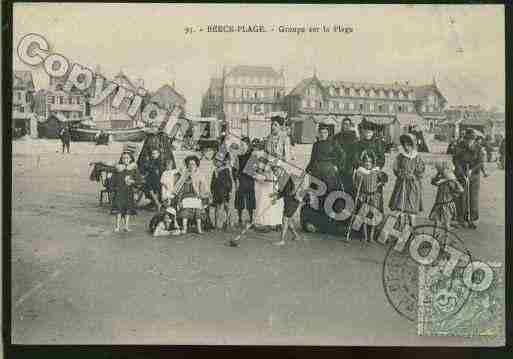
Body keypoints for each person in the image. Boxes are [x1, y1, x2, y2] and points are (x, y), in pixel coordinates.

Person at [389, 133, 426, 228]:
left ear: (412, 145)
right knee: (400, 208)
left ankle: (411, 231)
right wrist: (401, 174)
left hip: (413, 186)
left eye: (408, 145)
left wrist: (414, 176)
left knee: (411, 209)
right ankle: (399, 230)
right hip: (402, 184)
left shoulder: (417, 158)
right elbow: (395, 168)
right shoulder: (400, 157)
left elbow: (421, 170)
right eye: (404, 144)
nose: (406, 147)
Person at [352, 150, 388, 241]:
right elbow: (356, 184)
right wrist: (359, 193)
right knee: (364, 216)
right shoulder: (360, 172)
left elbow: (384, 179)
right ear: (363, 163)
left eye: (369, 162)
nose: (368, 164)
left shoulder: (376, 172)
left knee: (374, 217)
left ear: (372, 163)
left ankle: (371, 236)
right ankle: (364, 236)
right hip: (365, 196)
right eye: (366, 162)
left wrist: (380, 184)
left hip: (374, 197)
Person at [452, 129, 485, 229]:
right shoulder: (459, 146)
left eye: (471, 140)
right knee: (462, 196)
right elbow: (456, 160)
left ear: (474, 140)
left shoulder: (479, 148)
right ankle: (461, 219)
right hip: (461, 175)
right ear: (465, 139)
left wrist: (471, 171)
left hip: (474, 175)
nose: (469, 142)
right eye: (467, 139)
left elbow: (481, 162)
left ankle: (473, 219)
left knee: (473, 198)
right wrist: (462, 173)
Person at [306, 124, 346, 193]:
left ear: (328, 133)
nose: (323, 135)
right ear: (318, 133)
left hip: (329, 172)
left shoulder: (333, 143)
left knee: (330, 192)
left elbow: (343, 155)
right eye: (321, 132)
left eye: (325, 133)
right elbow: (313, 158)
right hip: (316, 171)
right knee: (316, 193)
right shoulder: (316, 145)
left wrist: (337, 166)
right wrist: (307, 169)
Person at [111, 149, 142, 232]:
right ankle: (117, 226)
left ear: (130, 159)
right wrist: (114, 187)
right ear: (121, 159)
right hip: (120, 191)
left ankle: (126, 226)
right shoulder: (118, 168)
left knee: (128, 210)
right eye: (123, 158)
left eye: (127, 158)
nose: (125, 160)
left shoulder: (133, 169)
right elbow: (113, 180)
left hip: (129, 191)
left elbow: (139, 180)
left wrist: (133, 182)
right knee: (119, 209)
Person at [176, 155, 209, 234]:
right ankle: (184, 228)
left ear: (196, 165)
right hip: (186, 196)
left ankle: (199, 228)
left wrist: (202, 196)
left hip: (196, 196)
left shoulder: (200, 175)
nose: (191, 166)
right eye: (189, 164)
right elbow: (178, 186)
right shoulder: (184, 174)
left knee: (198, 211)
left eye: (193, 164)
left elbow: (204, 187)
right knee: (185, 211)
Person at [269, 166, 302, 246]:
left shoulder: (285, 178)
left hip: (292, 201)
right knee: (288, 221)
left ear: (280, 170)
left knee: (285, 220)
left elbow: (286, 192)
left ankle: (282, 240)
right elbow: (282, 192)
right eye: (274, 172)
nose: (275, 173)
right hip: (289, 201)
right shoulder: (282, 178)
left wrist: (275, 198)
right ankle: (296, 236)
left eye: (276, 171)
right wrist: (275, 195)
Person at [429, 160, 464, 232]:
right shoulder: (441, 181)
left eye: (443, 171)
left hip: (447, 205)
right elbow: (433, 182)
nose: (442, 172)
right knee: (437, 224)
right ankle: (436, 238)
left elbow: (461, 190)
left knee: (446, 224)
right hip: (439, 204)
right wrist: (438, 174)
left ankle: (446, 240)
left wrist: (454, 194)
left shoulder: (450, 181)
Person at [233, 137, 256, 228]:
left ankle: (251, 219)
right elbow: (234, 170)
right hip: (240, 180)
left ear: (248, 145)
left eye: (243, 145)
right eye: (241, 145)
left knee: (250, 201)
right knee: (239, 201)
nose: (242, 146)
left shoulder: (252, 156)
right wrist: (236, 180)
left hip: (250, 180)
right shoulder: (238, 157)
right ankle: (240, 220)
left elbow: (254, 169)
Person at [333, 117, 359, 192]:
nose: (346, 126)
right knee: (338, 185)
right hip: (338, 165)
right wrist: (334, 164)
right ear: (342, 125)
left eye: (348, 124)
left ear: (350, 126)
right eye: (344, 124)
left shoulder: (353, 137)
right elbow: (333, 151)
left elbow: (355, 152)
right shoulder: (336, 137)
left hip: (349, 165)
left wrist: (355, 165)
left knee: (348, 185)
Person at [211, 152, 233, 230]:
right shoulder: (215, 171)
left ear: (222, 162)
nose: (216, 163)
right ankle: (217, 224)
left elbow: (229, 181)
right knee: (217, 208)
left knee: (226, 207)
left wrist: (229, 191)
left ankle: (228, 222)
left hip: (224, 191)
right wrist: (212, 190)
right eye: (215, 161)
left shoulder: (226, 170)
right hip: (217, 192)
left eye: (218, 161)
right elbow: (213, 182)